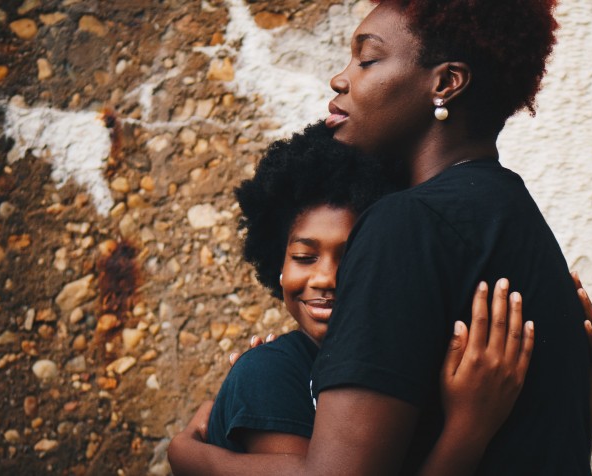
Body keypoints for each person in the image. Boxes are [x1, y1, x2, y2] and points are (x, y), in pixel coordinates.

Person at [169, 1, 592, 474]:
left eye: (367, 59)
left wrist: (196, 459)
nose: (341, 79)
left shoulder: (406, 223)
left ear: (444, 83)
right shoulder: (514, 215)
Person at [199, 122, 536, 472]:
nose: (326, 278)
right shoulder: (269, 373)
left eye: (353, 257)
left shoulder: (408, 364)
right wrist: (469, 428)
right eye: (304, 257)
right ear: (278, 265)